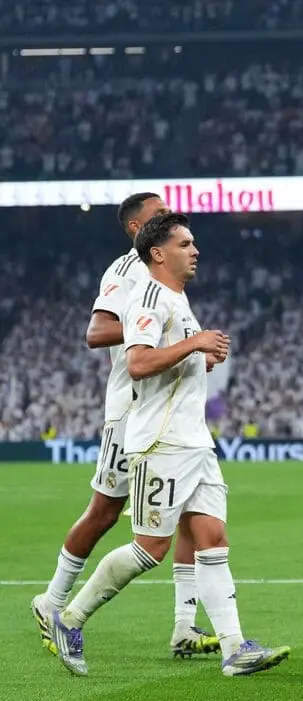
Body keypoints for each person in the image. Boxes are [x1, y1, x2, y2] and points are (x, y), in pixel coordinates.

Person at [49, 212, 291, 678]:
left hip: (194, 441)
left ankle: (235, 649)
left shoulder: (178, 298)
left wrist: (202, 354)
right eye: (185, 244)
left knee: (213, 540)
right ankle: (70, 617)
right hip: (161, 443)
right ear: (158, 253)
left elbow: (169, 361)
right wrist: (194, 343)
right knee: (151, 548)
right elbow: (138, 363)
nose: (195, 250)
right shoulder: (149, 298)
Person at [31, 192, 220, 660]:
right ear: (139, 230)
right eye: (160, 216)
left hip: (167, 410)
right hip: (131, 411)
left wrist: (188, 346)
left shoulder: (169, 277)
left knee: (192, 516)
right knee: (105, 512)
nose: (172, 221)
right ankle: (53, 603)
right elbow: (95, 333)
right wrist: (152, 331)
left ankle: (183, 626)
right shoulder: (126, 271)